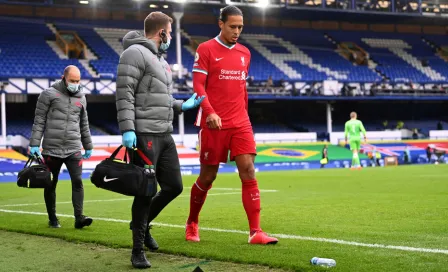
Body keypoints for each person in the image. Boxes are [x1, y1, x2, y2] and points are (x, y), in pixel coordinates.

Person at [115, 12, 204, 269]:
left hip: (165, 133)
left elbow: (160, 99)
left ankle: (139, 225)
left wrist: (180, 105)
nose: (171, 37)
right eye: (170, 32)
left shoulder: (161, 61)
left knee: (174, 186)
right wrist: (128, 128)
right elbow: (125, 93)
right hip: (144, 134)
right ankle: (137, 249)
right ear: (162, 32)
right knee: (145, 191)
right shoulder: (133, 54)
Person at [185, 6, 278, 245]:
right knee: (208, 176)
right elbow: (198, 87)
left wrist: (244, 117)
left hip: (240, 122)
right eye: (232, 26)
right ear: (221, 24)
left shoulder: (245, 53)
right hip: (213, 122)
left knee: (248, 170)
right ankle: (192, 222)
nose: (237, 31)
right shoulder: (205, 49)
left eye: (240, 27)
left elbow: (241, 89)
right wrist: (210, 113)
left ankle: (255, 232)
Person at [29, 65, 93, 229]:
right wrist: (35, 143)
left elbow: (84, 124)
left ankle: (79, 218)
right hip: (52, 149)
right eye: (72, 80)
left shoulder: (82, 97)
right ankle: (53, 219)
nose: (76, 84)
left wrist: (88, 145)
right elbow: (39, 121)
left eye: (78, 81)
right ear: (64, 78)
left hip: (73, 148)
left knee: (78, 181)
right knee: (51, 183)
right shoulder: (48, 94)